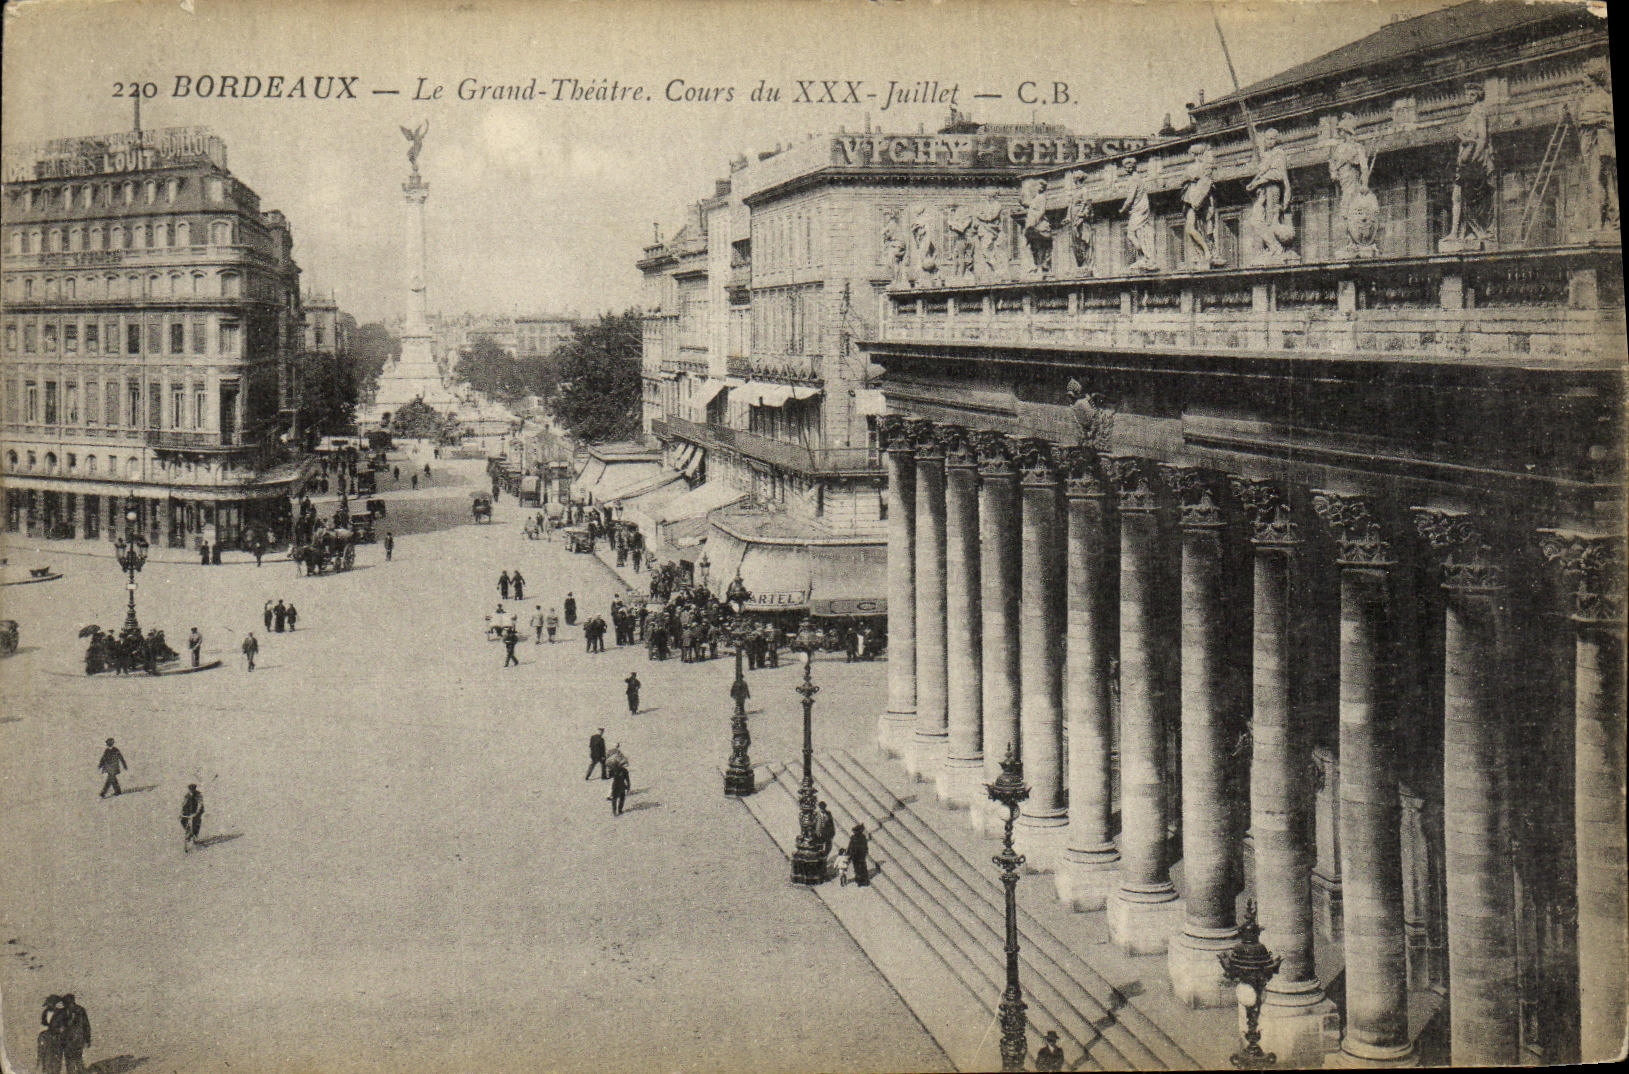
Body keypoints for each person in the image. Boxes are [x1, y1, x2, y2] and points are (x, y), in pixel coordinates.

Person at [38, 994, 64, 1074]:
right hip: (48, 1037)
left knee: (56, 1057)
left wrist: (59, 1030)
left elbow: (63, 1026)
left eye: (51, 1003)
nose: (49, 1005)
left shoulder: (60, 1013)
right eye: (48, 1004)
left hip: (57, 1037)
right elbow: (43, 1024)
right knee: (47, 1056)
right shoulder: (45, 1012)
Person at [181, 784, 205, 851]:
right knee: (183, 821)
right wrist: (181, 813)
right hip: (188, 812)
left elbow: (200, 804)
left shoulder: (198, 795)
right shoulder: (187, 796)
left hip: (196, 812)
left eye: (192, 790)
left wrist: (197, 812)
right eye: (190, 790)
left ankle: (194, 835)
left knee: (196, 823)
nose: (191, 791)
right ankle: (189, 833)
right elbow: (183, 804)